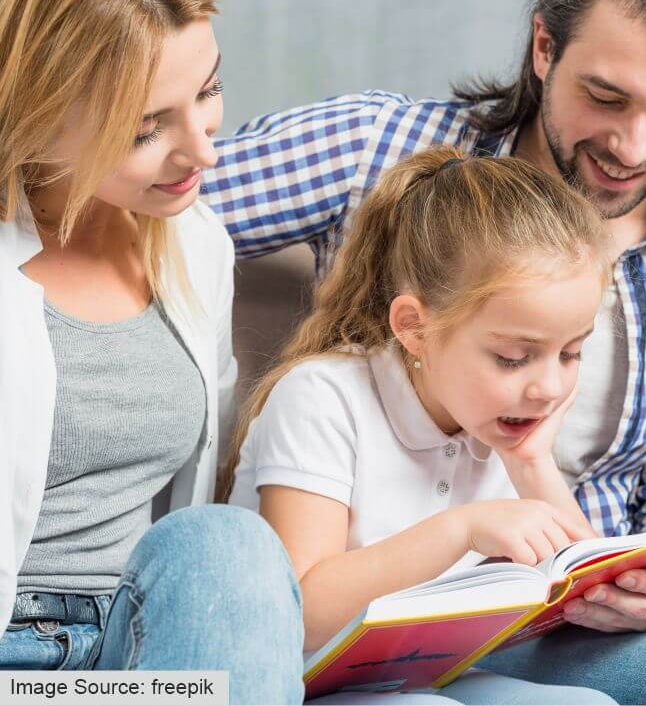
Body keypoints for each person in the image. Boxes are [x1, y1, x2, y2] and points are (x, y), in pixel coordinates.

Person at [207, 0, 646, 704]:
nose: (630, 147)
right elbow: (136, 198)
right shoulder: (375, 150)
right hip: (436, 608)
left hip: (567, 595)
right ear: (543, 47)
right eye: (604, 96)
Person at [0, 0, 302, 702]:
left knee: (226, 541)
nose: (204, 148)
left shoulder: (194, 244)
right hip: (19, 664)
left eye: (208, 90)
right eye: (145, 129)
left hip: (150, 641)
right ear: (29, 116)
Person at [226, 146, 618, 705]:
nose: (548, 387)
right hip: (296, 678)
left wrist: (532, 465)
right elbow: (299, 613)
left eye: (571, 353)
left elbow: (578, 592)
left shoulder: (503, 423)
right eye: (513, 357)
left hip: (418, 674)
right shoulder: (323, 397)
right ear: (414, 329)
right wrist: (459, 529)